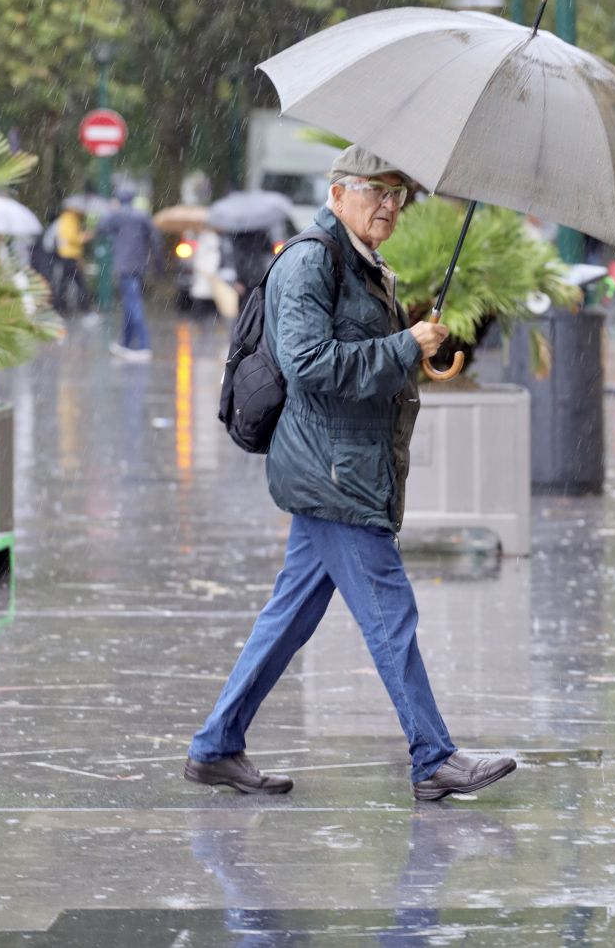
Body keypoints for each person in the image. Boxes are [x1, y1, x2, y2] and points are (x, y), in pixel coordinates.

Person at [185, 145, 517, 802]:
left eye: (398, 194)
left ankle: (216, 746)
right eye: (376, 191)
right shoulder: (312, 261)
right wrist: (401, 347)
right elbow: (309, 365)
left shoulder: (365, 266)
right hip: (333, 473)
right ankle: (433, 757)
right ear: (338, 192)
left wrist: (417, 345)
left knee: (289, 617)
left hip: (342, 467)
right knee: (391, 613)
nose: (389, 206)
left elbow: (366, 357)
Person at [95, 184, 163, 361]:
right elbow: (155, 239)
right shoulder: (142, 216)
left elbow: (100, 228)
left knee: (133, 304)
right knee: (129, 304)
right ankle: (125, 343)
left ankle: (143, 346)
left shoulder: (117, 215)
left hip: (124, 266)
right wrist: (159, 263)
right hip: (139, 265)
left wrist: (111, 210)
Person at [54, 198, 93, 313]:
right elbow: (71, 237)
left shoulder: (69, 219)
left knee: (65, 283)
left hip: (68, 256)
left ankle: (61, 307)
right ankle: (85, 308)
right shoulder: (69, 219)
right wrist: (84, 237)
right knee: (79, 283)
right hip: (69, 256)